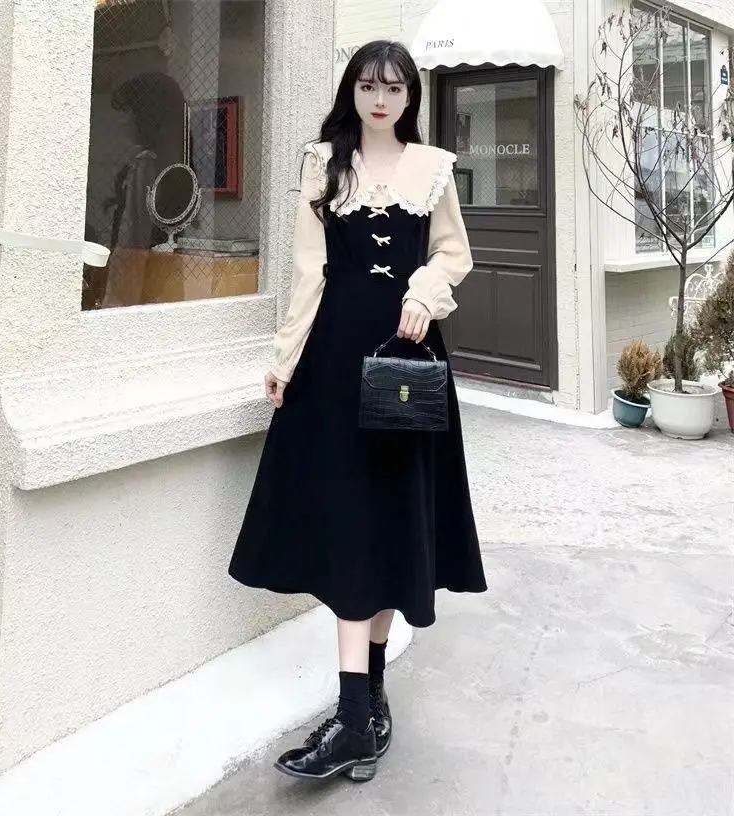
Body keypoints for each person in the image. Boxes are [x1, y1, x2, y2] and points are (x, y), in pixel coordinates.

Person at [228, 40, 487, 783]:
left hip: (407, 364)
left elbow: (454, 254)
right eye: (369, 86)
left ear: (410, 97)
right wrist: (285, 360)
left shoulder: (431, 168)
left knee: (390, 521)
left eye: (394, 88)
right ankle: (357, 713)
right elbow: (307, 271)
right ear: (352, 91)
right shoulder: (323, 165)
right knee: (351, 526)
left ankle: (363, 708)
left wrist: (423, 294)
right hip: (336, 363)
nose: (380, 99)